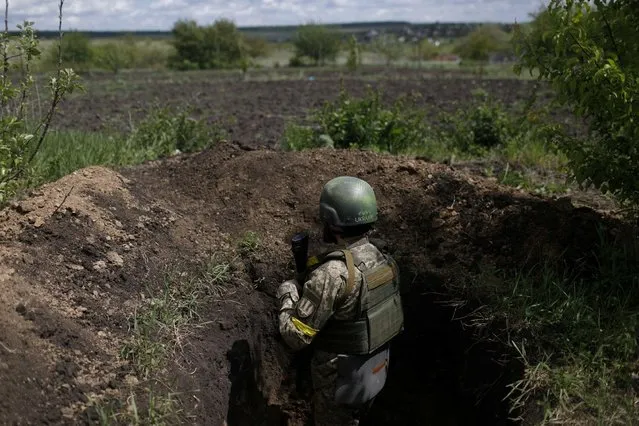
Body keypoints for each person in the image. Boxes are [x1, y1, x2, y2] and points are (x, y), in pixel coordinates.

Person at [277, 176, 405, 426]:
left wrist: (288, 293)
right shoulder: (382, 259)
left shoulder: (333, 274)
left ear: (333, 223)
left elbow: (296, 336)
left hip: (339, 382)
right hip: (375, 370)